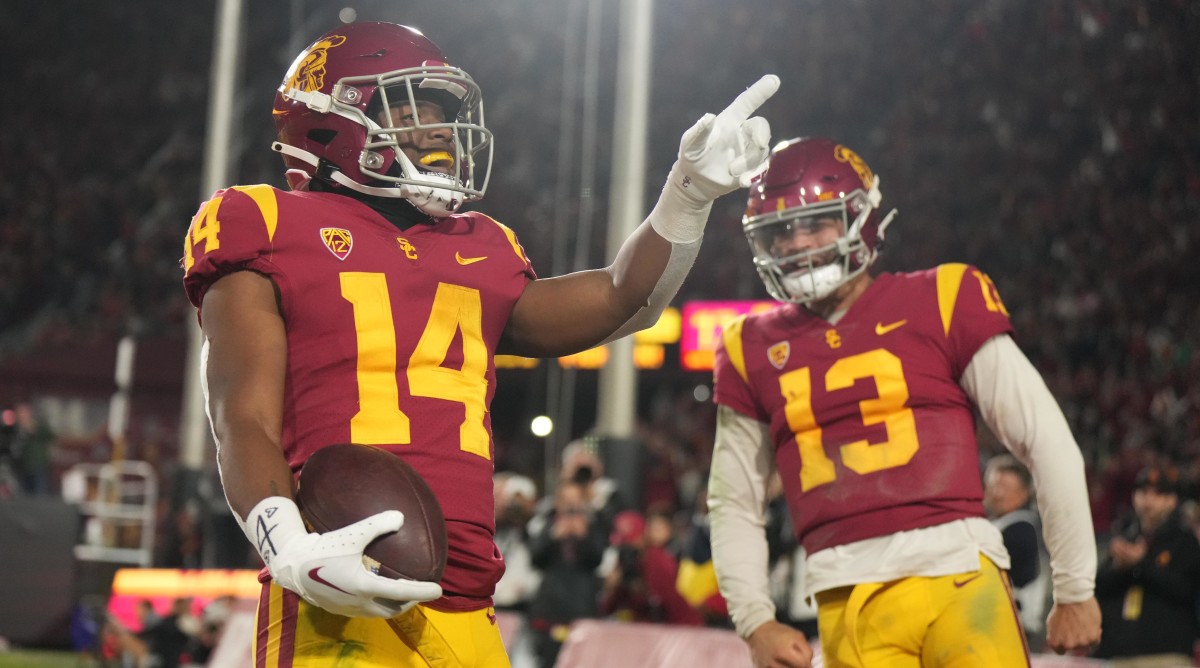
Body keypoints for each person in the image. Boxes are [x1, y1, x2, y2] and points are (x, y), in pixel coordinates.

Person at [181, 20, 778, 666]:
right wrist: (289, 548)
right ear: (333, 122)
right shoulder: (263, 220)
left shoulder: (481, 245)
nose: (438, 130)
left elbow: (620, 297)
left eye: (442, 112)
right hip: (335, 592)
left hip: (469, 603)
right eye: (412, 109)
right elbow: (240, 417)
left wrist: (686, 196)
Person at [706, 136, 1102, 667]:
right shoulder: (745, 345)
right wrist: (754, 621)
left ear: (860, 218)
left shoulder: (941, 296)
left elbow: (1045, 440)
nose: (796, 244)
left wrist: (1075, 586)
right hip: (843, 592)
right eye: (780, 230)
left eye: (816, 223)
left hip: (959, 574)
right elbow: (734, 500)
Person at [1094, 464, 1200, 665]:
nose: (1148, 500)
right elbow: (1098, 587)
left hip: (1167, 656)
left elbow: (1185, 589)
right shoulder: (1126, 537)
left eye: (1158, 494)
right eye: (1143, 492)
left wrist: (1142, 564)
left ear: (1171, 500)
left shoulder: (1184, 541)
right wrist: (1120, 567)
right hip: (1120, 654)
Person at [984, 453, 1052, 649]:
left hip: (1014, 629)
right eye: (993, 486)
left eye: (1005, 488)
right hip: (1000, 626)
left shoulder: (1021, 527)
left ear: (1024, 493)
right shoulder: (996, 523)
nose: (998, 493)